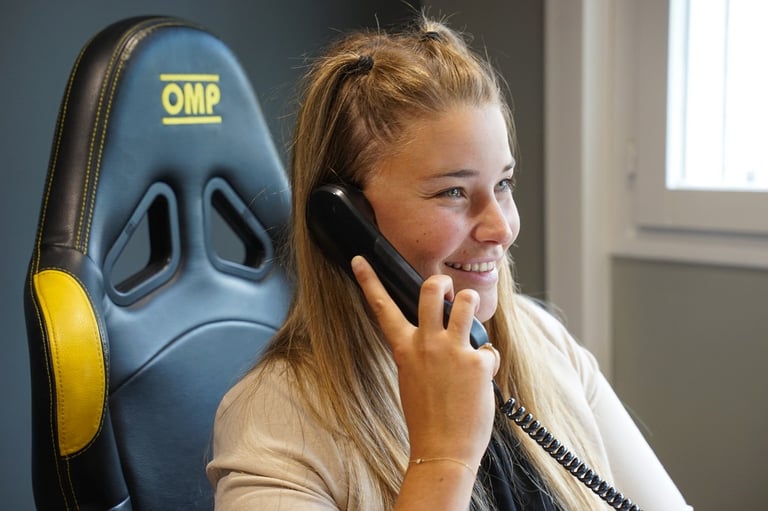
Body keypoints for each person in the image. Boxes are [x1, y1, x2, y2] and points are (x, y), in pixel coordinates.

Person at [206, 12, 693, 511]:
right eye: (454, 192)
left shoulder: (544, 344)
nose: (500, 228)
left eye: (502, 184)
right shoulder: (273, 420)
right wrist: (443, 458)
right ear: (343, 219)